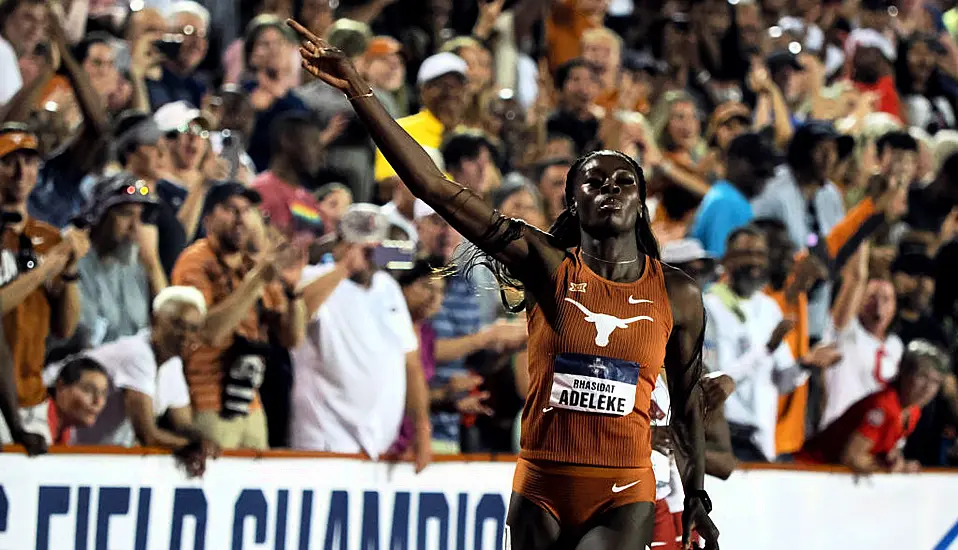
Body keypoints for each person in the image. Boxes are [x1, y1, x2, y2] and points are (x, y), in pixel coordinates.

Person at [288, 20, 718, 550]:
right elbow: (435, 188)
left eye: (623, 181)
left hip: (624, 488)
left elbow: (688, 397)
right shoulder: (548, 265)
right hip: (540, 486)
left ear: (642, 200)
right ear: (573, 201)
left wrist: (696, 494)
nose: (610, 189)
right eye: (594, 181)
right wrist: (360, 90)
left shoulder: (677, 294)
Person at [797, 339, 948, 473]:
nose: (928, 388)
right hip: (807, 469)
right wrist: (893, 468)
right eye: (922, 376)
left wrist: (893, 458)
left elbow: (882, 444)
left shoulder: (913, 411)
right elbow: (851, 457)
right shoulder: (883, 407)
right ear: (903, 372)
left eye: (935, 382)